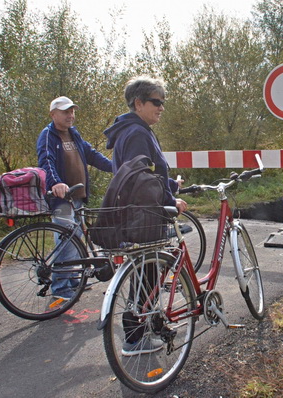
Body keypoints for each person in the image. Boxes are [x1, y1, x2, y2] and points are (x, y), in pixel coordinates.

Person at [103, 76, 187, 356]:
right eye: (156, 102)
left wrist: (170, 187)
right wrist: (169, 199)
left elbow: (148, 172)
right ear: (138, 103)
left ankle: (140, 332)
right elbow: (143, 180)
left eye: (163, 102)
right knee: (146, 276)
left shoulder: (132, 129)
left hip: (136, 212)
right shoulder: (137, 133)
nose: (161, 107)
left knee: (144, 274)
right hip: (143, 214)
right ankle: (135, 338)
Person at [37, 96, 112, 300]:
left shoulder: (73, 134)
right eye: (65, 111)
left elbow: (92, 155)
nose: (70, 115)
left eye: (72, 111)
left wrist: (115, 167)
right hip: (61, 198)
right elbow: (46, 161)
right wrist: (55, 183)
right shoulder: (48, 135)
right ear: (53, 114)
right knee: (65, 239)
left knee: (75, 238)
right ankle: (61, 289)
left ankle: (73, 281)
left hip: (77, 196)